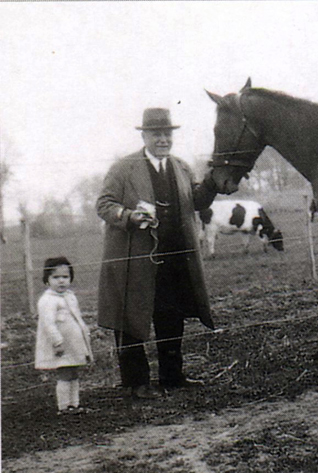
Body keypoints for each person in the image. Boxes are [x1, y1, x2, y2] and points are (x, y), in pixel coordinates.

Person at [96, 107, 221, 399]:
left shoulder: (180, 167)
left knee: (171, 317)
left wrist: (213, 182)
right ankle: (136, 383)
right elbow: (103, 204)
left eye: (167, 134)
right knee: (131, 318)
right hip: (134, 261)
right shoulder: (123, 168)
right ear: (145, 136)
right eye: (156, 134)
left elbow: (197, 201)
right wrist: (128, 216)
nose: (163, 139)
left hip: (175, 257)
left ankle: (172, 377)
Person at [35, 257, 93, 413]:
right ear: (47, 280)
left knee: (73, 372)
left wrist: (84, 334)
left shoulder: (69, 296)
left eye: (65, 277)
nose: (61, 281)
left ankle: (75, 404)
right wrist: (57, 342)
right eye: (55, 277)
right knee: (65, 373)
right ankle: (64, 406)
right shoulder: (47, 300)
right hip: (61, 345)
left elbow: (77, 318)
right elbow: (48, 324)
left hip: (73, 343)